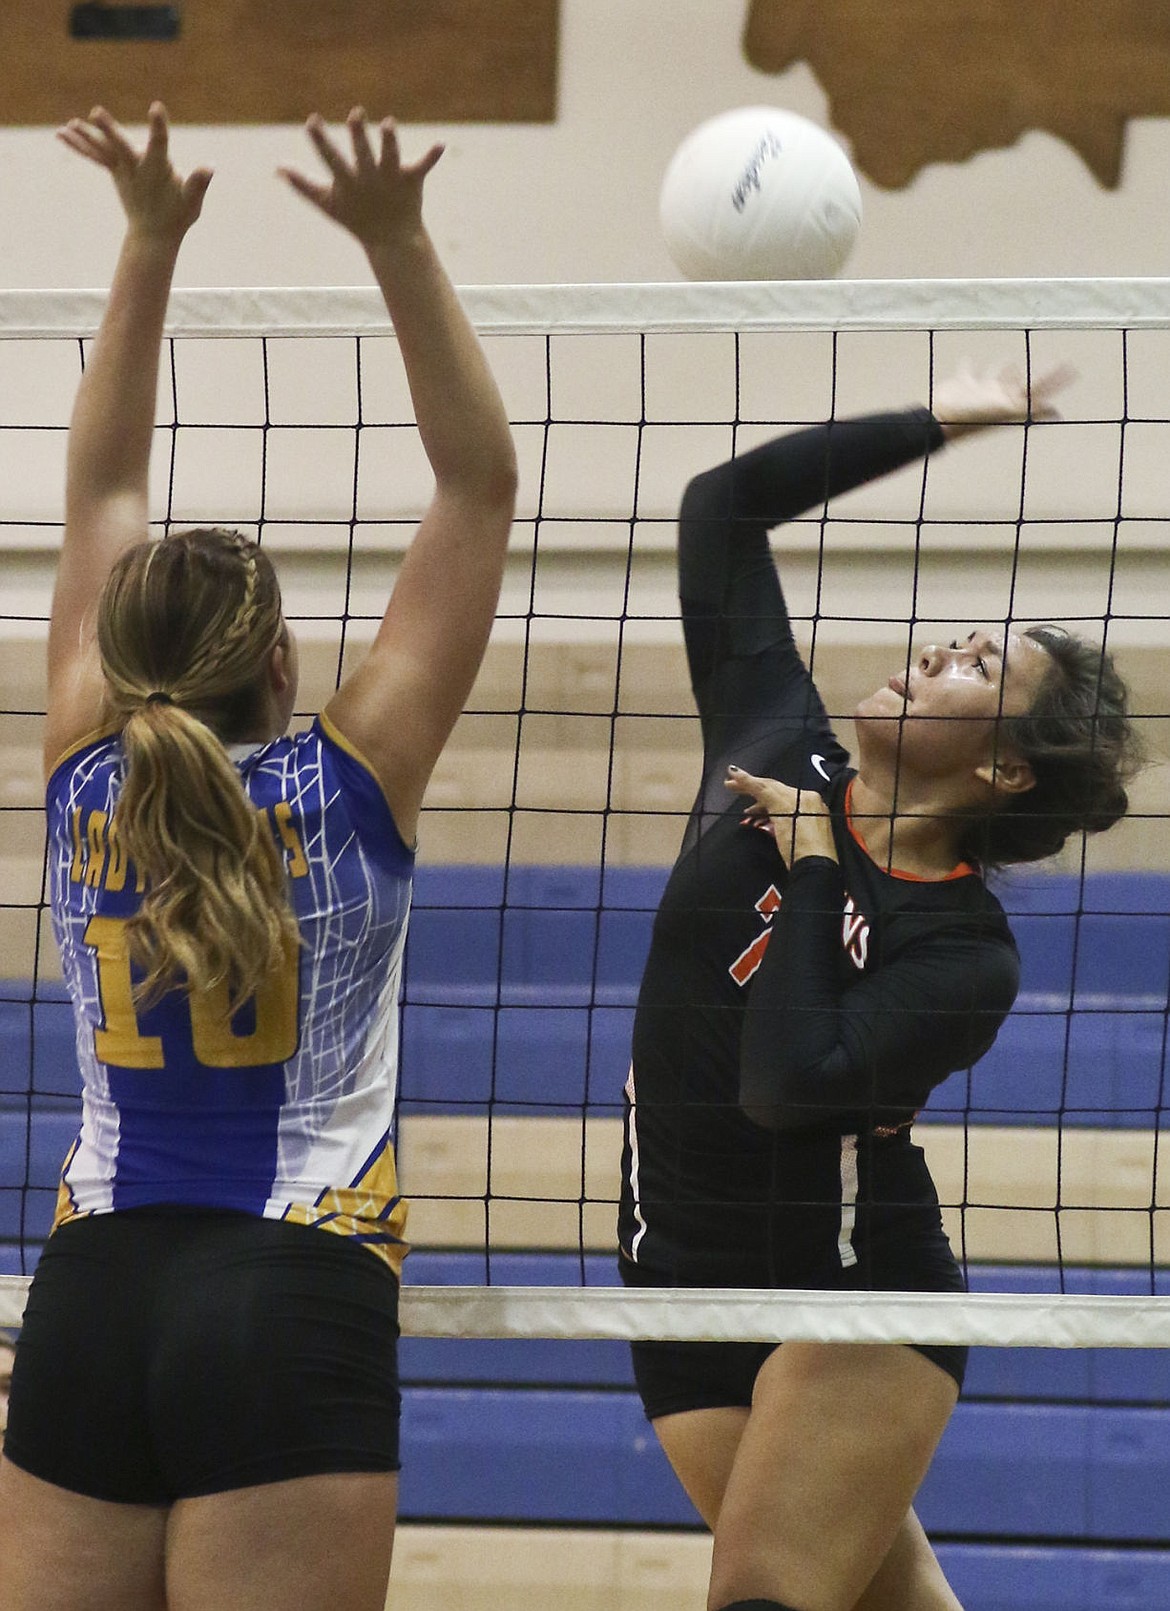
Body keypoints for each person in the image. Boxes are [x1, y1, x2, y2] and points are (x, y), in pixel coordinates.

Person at [0, 102, 516, 1611]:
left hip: (89, 1302)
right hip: (292, 1295)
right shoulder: (354, 780)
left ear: (111, 660)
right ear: (285, 662)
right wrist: (396, 240)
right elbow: (477, 483)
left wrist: (147, 240)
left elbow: (99, 487)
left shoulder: (83, 770)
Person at [617, 369, 1141, 1611]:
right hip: (673, 1274)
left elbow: (791, 1085)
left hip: (851, 1287)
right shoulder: (773, 741)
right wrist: (942, 422)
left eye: (975, 668)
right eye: (957, 638)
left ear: (1010, 768)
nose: (937, 651)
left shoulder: (964, 953)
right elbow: (721, 512)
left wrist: (809, 871)